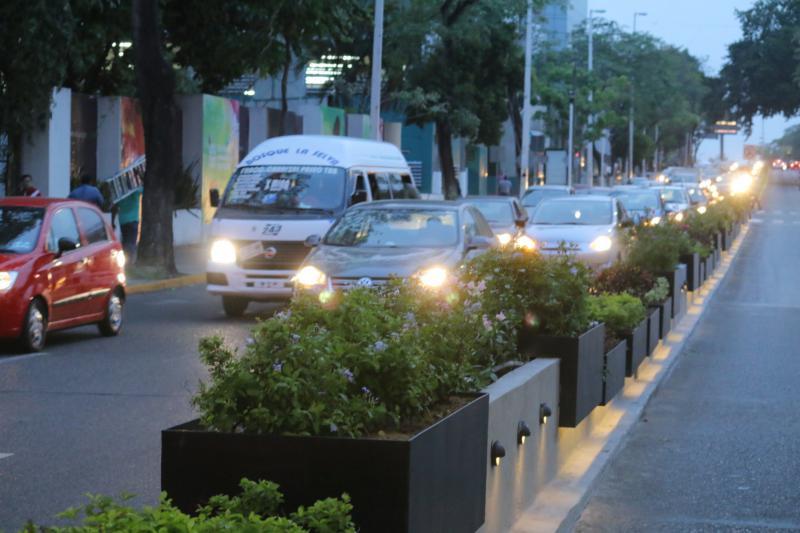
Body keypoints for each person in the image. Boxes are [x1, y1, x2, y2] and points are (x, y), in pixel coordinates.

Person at [112, 189, 142, 260]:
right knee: (131, 242)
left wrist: (112, 221)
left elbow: (115, 207)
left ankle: (126, 260)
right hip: (133, 220)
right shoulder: (136, 191)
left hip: (123, 221)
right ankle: (130, 260)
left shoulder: (121, 194)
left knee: (125, 242)